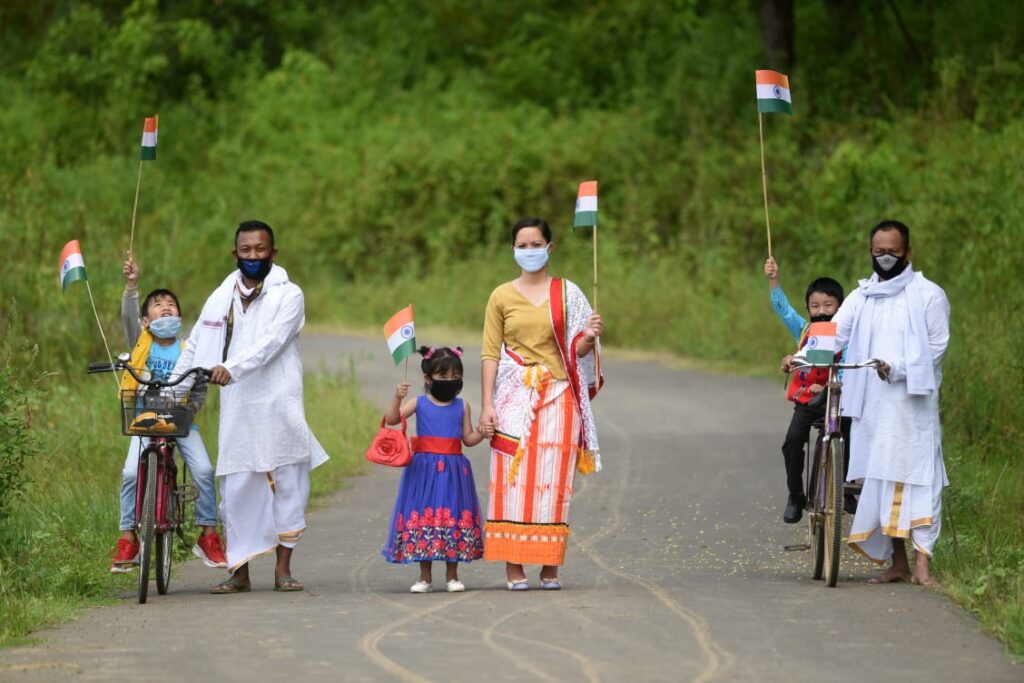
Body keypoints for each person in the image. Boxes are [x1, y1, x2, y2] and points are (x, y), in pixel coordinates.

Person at [172, 220, 328, 593]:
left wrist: (231, 367)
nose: (253, 256)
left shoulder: (289, 295)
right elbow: (196, 342)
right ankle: (239, 572)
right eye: (246, 250)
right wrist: (177, 385)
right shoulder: (221, 295)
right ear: (236, 254)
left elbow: (274, 341)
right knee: (238, 487)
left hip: (278, 401)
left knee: (287, 483)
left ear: (274, 253)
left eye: (261, 250)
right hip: (239, 404)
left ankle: (283, 569)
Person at [478, 217, 604, 591]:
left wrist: (590, 337)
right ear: (513, 250)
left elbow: (576, 352)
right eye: (523, 245)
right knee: (513, 481)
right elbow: (489, 354)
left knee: (553, 482)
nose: (529, 251)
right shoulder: (501, 296)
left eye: (536, 244)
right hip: (514, 398)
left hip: (558, 396)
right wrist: (487, 404)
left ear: (550, 248)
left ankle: (550, 567)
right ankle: (514, 566)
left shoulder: (567, 293)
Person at [830, 219, 949, 586]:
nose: (885, 258)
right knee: (881, 481)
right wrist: (802, 354)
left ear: (908, 253)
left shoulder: (928, 295)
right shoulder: (860, 297)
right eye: (879, 252)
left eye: (892, 252)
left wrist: (895, 368)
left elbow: (937, 348)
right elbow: (834, 333)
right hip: (874, 409)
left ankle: (923, 565)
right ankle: (898, 564)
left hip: (912, 407)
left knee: (919, 481)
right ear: (870, 252)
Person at [110, 256, 227, 572]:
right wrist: (133, 286)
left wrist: (190, 409)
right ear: (145, 320)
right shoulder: (141, 343)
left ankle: (208, 533)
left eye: (171, 305)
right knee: (131, 473)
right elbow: (127, 314)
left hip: (180, 421)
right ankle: (128, 538)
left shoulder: (188, 348)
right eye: (157, 305)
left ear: (179, 316)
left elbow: (200, 382)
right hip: (143, 421)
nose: (165, 308)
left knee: (203, 469)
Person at [381, 346, 486, 593]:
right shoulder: (418, 403)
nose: (450, 382)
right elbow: (392, 419)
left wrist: (483, 432)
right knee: (423, 517)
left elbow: (468, 438)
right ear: (428, 378)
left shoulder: (463, 406)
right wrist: (397, 397)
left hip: (454, 470)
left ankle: (452, 576)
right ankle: (425, 578)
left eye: (455, 377)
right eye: (443, 377)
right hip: (423, 470)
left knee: (452, 516)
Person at [764, 257, 852, 523]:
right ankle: (795, 495)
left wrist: (826, 383)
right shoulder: (804, 330)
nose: (821, 310)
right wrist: (773, 279)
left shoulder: (847, 334)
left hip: (838, 398)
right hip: (807, 399)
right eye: (815, 306)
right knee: (792, 441)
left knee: (851, 436)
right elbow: (784, 310)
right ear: (808, 308)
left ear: (841, 306)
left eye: (828, 304)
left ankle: (845, 489)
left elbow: (848, 366)